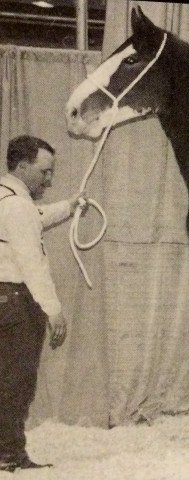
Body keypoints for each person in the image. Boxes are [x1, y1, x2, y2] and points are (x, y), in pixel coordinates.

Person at [0, 135, 86, 472]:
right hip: (18, 304)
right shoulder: (17, 206)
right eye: (44, 172)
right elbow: (31, 262)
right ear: (22, 167)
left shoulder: (7, 198)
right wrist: (53, 310)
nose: (49, 180)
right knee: (16, 381)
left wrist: (70, 206)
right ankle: (9, 454)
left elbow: (35, 217)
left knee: (4, 377)